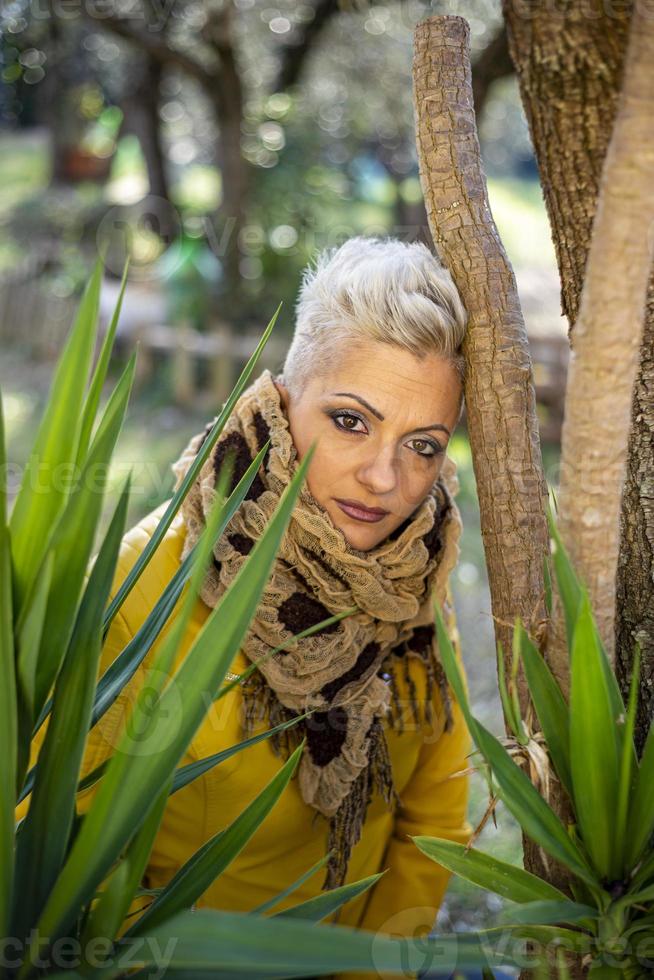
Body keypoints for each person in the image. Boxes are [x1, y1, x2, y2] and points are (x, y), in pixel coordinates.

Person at [21, 235, 473, 977]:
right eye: (351, 421)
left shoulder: (412, 571)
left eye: (422, 444)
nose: (384, 479)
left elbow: (431, 822)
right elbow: (50, 843)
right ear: (283, 403)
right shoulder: (148, 584)